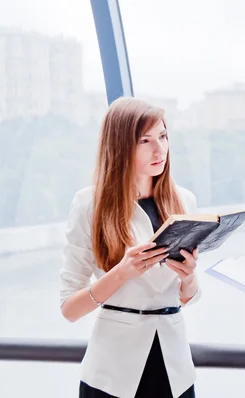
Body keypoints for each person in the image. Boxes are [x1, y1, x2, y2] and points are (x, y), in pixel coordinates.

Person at [59, 97, 201, 398]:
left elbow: (187, 296)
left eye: (163, 136)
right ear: (121, 145)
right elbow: (69, 309)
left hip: (175, 367)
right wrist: (121, 273)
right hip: (112, 370)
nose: (159, 149)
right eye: (145, 140)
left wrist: (189, 277)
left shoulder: (184, 201)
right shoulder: (90, 204)